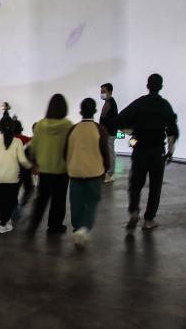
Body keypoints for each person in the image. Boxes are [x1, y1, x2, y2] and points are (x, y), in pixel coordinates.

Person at [117, 73, 179, 230]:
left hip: (140, 149)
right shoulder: (165, 105)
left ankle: (134, 211)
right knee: (155, 186)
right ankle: (149, 220)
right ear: (161, 86)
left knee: (135, 184)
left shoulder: (139, 103)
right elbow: (172, 131)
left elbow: (119, 120)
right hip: (157, 150)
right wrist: (170, 151)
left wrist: (133, 134)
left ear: (147, 86)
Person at [67, 98, 112, 248]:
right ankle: (84, 227)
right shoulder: (100, 129)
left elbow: (65, 152)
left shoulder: (73, 130)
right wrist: (105, 169)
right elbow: (105, 153)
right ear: (95, 111)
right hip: (94, 172)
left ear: (81, 111)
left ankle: (77, 229)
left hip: (75, 172)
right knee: (92, 201)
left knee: (76, 202)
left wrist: (70, 165)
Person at [26, 94, 73, 234]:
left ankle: (33, 224)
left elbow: (33, 147)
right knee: (59, 199)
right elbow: (70, 147)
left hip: (44, 169)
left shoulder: (40, 124)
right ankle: (54, 225)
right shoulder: (68, 125)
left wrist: (34, 162)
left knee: (41, 198)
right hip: (62, 169)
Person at [0, 121, 31, 234]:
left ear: (0, 130)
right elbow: (22, 160)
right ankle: (3, 225)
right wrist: (30, 166)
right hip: (11, 177)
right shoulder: (17, 142)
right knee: (9, 201)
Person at [99, 83, 119, 183]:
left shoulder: (110, 104)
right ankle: (108, 172)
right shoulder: (108, 103)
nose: (102, 94)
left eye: (104, 91)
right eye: (101, 92)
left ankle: (110, 173)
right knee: (108, 152)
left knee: (110, 153)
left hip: (109, 133)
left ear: (110, 92)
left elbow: (108, 120)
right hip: (107, 133)